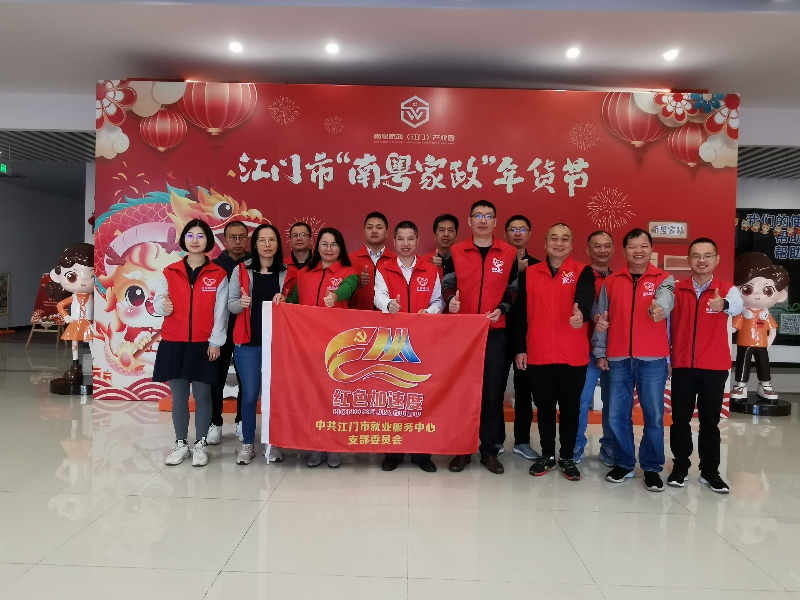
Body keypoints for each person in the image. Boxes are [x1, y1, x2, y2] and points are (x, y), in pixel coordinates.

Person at [593, 228, 674, 492]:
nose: (638, 251)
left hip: (653, 359)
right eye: (632, 246)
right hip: (618, 358)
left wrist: (659, 309)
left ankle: (651, 467)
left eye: (643, 246)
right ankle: (625, 463)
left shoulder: (664, 278)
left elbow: (666, 301)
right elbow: (602, 319)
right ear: (624, 250)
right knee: (617, 414)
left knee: (654, 415)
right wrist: (601, 352)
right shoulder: (612, 281)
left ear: (651, 249)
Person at [513, 224, 595, 481]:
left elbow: (585, 298)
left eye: (565, 239)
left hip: (573, 354)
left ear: (571, 244)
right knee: (545, 407)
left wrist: (581, 314)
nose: (559, 243)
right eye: (554, 238)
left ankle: (567, 457)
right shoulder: (530, 273)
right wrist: (520, 349)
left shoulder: (583, 271)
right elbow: (520, 315)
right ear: (545, 243)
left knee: (571, 408)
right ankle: (548, 454)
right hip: (538, 353)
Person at [443, 200, 518, 475]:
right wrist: (450, 301)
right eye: (478, 215)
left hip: (494, 333)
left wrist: (503, 309)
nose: (483, 220)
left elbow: (513, 290)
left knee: (491, 394)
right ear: (469, 220)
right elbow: (447, 284)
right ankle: (462, 450)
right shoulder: (455, 251)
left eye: (488, 216)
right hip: (462, 334)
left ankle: (489, 451)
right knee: (463, 394)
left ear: (495, 221)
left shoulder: (508, 253)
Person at [278, 227, 358, 467]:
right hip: (307, 346)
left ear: (341, 248)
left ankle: (333, 446)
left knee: (332, 396)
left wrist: (335, 297)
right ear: (317, 246)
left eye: (334, 244)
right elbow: (294, 302)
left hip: (336, 347)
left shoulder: (349, 272)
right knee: (311, 397)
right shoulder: (304, 274)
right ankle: (314, 445)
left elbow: (348, 289)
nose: (329, 248)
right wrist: (282, 300)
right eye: (324, 244)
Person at [668, 238, 743, 493]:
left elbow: (738, 306)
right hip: (682, 365)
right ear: (688, 260)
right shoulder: (677, 290)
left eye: (707, 255)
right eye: (696, 255)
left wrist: (724, 305)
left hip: (714, 366)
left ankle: (710, 471)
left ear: (716, 259)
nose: (702, 260)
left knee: (710, 422)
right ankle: (680, 467)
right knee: (680, 419)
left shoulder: (727, 289)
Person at [152, 219, 228, 467]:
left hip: (204, 344)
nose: (195, 240)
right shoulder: (169, 271)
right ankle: (181, 444)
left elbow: (221, 313)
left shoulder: (218, 274)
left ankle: (201, 444)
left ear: (208, 241)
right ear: (183, 239)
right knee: (179, 396)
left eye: (201, 236)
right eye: (190, 235)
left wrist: (216, 342)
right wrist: (162, 306)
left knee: (203, 396)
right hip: (174, 342)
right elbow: (157, 302)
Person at [374, 220, 444, 473]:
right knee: (393, 395)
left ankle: (421, 454)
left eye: (410, 239)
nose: (405, 243)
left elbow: (439, 300)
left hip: (422, 339)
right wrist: (388, 305)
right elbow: (378, 295)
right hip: (392, 339)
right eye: (401, 239)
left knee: (421, 394)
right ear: (394, 241)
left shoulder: (430, 269)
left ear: (417, 241)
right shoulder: (384, 267)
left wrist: (430, 311)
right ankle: (392, 453)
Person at [228, 224, 294, 465]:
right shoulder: (241, 270)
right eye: (262, 240)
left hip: (278, 344)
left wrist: (285, 301)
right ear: (254, 244)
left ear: (278, 244)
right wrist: (242, 304)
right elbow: (231, 304)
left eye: (272, 240)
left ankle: (272, 443)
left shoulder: (288, 273)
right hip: (248, 343)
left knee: (273, 396)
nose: (267, 244)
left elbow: (296, 307)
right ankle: (248, 443)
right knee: (249, 395)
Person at [499, 215, 541, 460]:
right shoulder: (496, 263)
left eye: (522, 229)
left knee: (524, 390)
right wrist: (515, 270)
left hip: (527, 336)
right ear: (505, 233)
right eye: (512, 229)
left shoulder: (538, 266)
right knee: (494, 388)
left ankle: (522, 441)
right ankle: (495, 440)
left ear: (529, 234)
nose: (517, 233)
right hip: (499, 333)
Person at [574, 231, 614, 466]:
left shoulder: (619, 279)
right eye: (597, 246)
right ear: (588, 250)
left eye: (607, 246)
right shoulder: (581, 276)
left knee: (612, 403)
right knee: (580, 401)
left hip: (615, 351)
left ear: (613, 249)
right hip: (584, 349)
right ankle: (576, 446)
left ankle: (608, 447)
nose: (602, 250)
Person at [208, 221, 249, 446]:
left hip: (247, 331)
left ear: (247, 239)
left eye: (242, 237)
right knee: (216, 379)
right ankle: (215, 423)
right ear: (225, 240)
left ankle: (242, 422)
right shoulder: (214, 266)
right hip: (219, 331)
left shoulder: (254, 263)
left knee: (246, 381)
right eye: (233, 237)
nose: (238, 241)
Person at [348, 212, 396, 311]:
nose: (374, 231)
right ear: (364, 231)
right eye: (370, 227)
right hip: (358, 316)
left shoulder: (396, 260)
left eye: (379, 227)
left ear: (387, 232)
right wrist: (358, 283)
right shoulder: (350, 259)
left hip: (388, 316)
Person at [423, 214, 459, 280]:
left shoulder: (463, 261)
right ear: (434, 236)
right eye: (442, 230)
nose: (446, 234)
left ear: (456, 235)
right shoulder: (423, 261)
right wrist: (429, 267)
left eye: (450, 230)